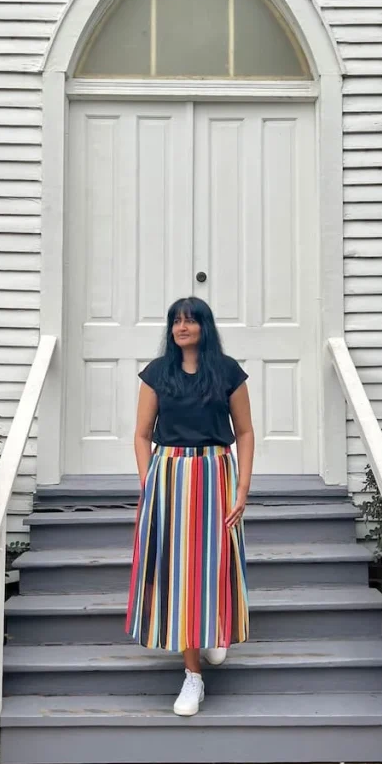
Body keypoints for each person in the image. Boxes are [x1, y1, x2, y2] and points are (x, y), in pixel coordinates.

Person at [125, 296, 254, 716]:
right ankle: (193, 675)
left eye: (190, 320)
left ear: (204, 326)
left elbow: (245, 432)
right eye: (176, 321)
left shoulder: (227, 372)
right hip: (170, 475)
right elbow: (142, 434)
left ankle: (213, 631)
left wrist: (243, 488)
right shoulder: (157, 373)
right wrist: (148, 482)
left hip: (217, 473)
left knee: (214, 561)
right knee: (181, 573)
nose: (182, 327)